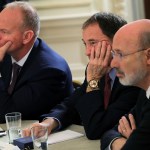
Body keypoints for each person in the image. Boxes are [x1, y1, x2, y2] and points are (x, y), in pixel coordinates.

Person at [23, 12, 141, 140]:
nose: (87, 52)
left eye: (93, 43)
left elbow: (96, 129)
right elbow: (74, 102)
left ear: (117, 41)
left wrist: (94, 79)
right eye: (86, 44)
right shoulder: (96, 68)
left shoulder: (133, 76)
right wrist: (49, 123)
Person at [0, 1, 73, 123]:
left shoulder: (50, 71)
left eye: (4, 32)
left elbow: (8, 115)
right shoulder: (7, 52)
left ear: (27, 37)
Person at [100, 19, 150, 150]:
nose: (113, 64)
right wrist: (124, 143)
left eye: (121, 54)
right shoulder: (145, 91)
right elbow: (109, 133)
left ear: (148, 56)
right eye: (113, 54)